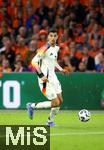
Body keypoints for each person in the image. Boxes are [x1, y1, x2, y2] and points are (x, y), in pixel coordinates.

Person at [26, 29, 69, 126]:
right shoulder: (44, 48)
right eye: (51, 36)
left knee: (60, 101)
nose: (53, 38)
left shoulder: (56, 48)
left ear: (57, 37)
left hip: (53, 77)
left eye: (55, 36)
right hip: (45, 80)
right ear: (48, 37)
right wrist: (41, 75)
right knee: (55, 102)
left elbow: (54, 61)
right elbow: (33, 62)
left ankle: (50, 121)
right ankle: (32, 106)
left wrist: (61, 69)